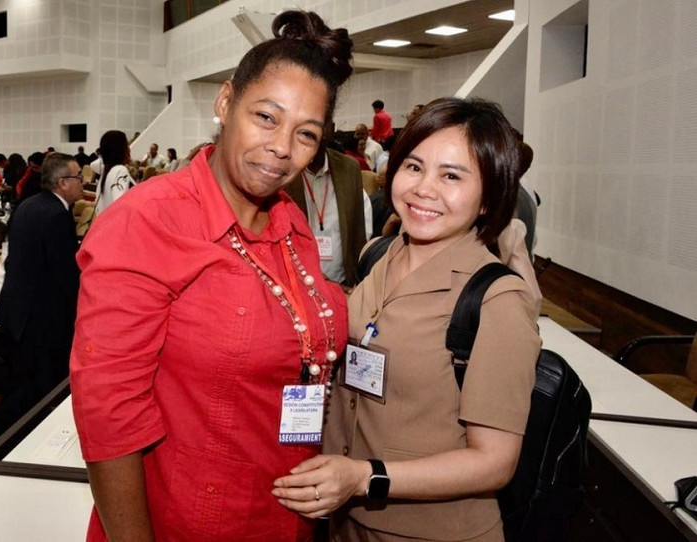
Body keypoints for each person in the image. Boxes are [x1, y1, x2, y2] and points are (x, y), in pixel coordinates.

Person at [70, 10, 353, 541]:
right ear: (225, 102)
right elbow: (109, 416)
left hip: (285, 513)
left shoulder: (291, 223)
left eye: (306, 134)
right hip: (187, 519)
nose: (282, 148)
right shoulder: (149, 221)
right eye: (266, 118)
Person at [272, 98, 542, 542]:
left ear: (488, 199)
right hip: (346, 522)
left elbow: (494, 462)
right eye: (414, 167)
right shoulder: (381, 255)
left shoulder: (496, 300)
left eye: (451, 176)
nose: (424, 188)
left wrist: (363, 478)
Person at [0, 153, 83, 446]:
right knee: (36, 390)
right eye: (78, 178)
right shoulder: (57, 215)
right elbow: (65, 275)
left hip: (17, 313)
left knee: (21, 385)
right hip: (42, 320)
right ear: (62, 183)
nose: (83, 183)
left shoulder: (28, 205)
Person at [284, 140, 367, 289]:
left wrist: (357, 282)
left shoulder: (349, 169)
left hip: (343, 284)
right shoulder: (285, 167)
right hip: (298, 285)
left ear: (331, 127)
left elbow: (358, 233)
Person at [94, 130, 136, 216]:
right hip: (118, 226)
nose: (129, 149)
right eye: (127, 145)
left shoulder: (106, 172)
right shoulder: (120, 170)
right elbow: (120, 205)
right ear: (120, 149)